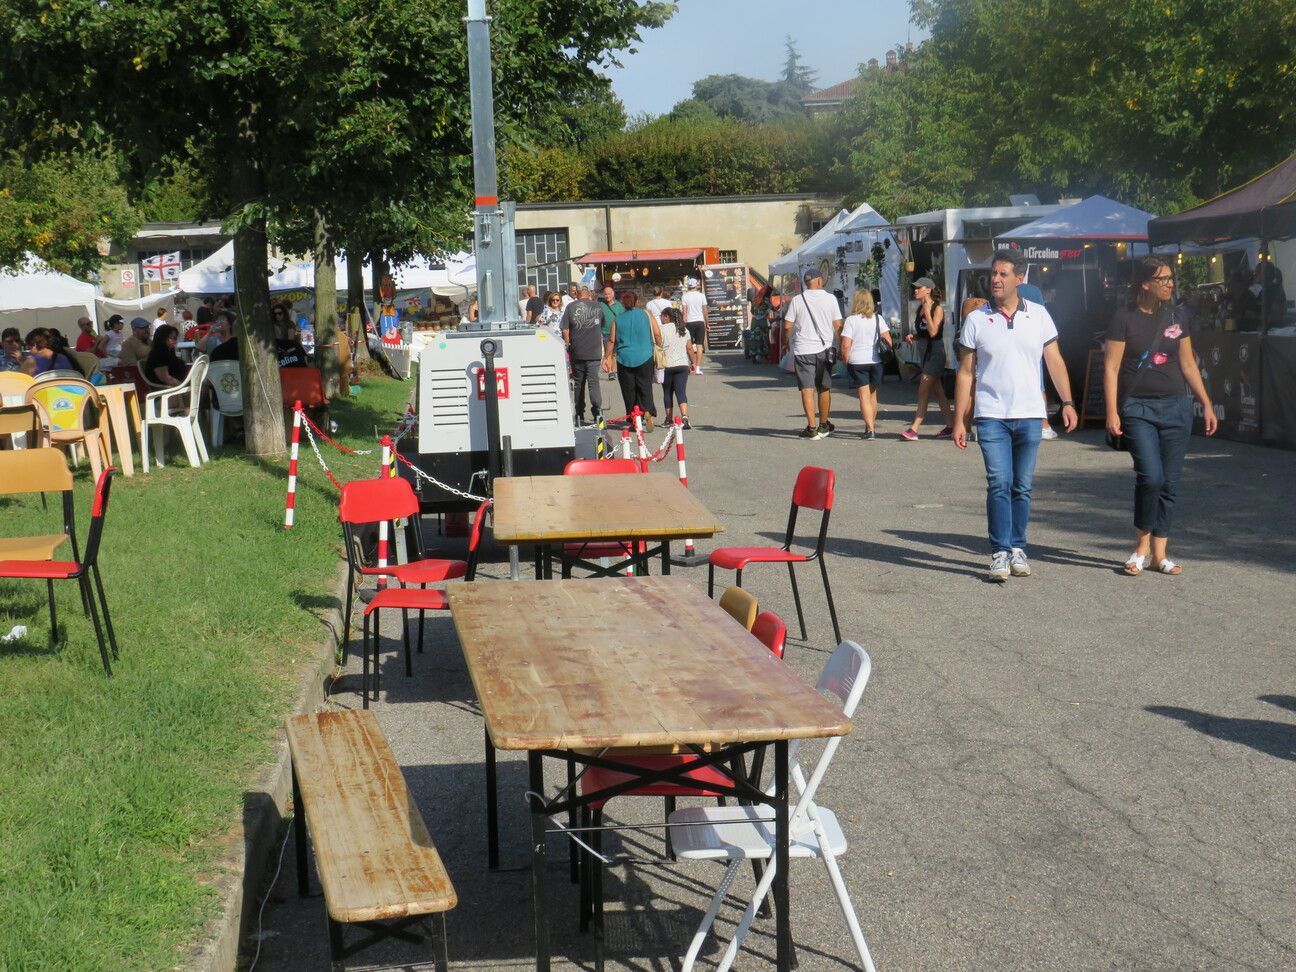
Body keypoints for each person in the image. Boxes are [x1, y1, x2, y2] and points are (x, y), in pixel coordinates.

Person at [952, 249, 1078, 582]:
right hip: (991, 415)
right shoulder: (977, 319)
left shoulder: (1038, 315)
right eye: (993, 273)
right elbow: (966, 373)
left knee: (1022, 486)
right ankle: (998, 552)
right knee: (999, 484)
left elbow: (1054, 360)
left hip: (1030, 414)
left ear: (1019, 278)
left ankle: (1017, 548)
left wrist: (1067, 402)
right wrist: (959, 420)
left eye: (1003, 274)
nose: (995, 279)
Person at [1104, 255, 1216, 576]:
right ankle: (1140, 547)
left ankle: (1160, 553)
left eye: (1171, 279)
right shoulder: (1123, 318)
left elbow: (1188, 364)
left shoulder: (1177, 315)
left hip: (1176, 406)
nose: (1170, 284)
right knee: (1150, 476)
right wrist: (1112, 411)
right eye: (1163, 279)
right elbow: (1111, 368)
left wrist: (1205, 403)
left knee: (1170, 481)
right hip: (1138, 407)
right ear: (1145, 284)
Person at [782, 267, 842, 439]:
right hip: (825, 349)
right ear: (820, 281)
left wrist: (786, 342)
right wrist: (844, 346)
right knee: (824, 387)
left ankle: (812, 427)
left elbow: (787, 326)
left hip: (803, 350)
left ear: (806, 283)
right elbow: (838, 325)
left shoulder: (797, 300)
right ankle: (824, 425)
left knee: (807, 389)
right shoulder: (830, 299)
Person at [901, 276, 954, 440]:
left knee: (922, 390)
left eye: (919, 288)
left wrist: (927, 311)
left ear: (928, 290)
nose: (916, 291)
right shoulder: (919, 309)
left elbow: (933, 332)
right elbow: (924, 332)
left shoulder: (937, 309)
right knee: (938, 392)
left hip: (935, 354)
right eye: (915, 288)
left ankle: (914, 429)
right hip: (924, 354)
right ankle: (951, 426)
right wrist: (914, 336)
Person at [603, 290, 662, 430]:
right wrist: (659, 345)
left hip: (624, 359)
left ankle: (634, 419)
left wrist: (606, 357)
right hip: (645, 356)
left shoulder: (617, 319)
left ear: (623, 303)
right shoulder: (647, 314)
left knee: (629, 390)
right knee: (645, 386)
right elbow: (657, 333)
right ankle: (647, 410)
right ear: (636, 302)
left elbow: (611, 340)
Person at [839, 289, 893, 438]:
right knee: (872, 395)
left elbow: (846, 344)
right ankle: (871, 425)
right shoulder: (878, 319)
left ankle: (870, 429)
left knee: (863, 396)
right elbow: (888, 341)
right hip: (875, 360)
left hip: (857, 361)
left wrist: (846, 360)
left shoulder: (851, 320)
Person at [561, 285, 605, 424]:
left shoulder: (570, 307)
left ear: (578, 294)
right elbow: (602, 325)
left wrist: (568, 344)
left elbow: (565, 330)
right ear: (588, 294)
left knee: (579, 383)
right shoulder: (598, 306)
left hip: (577, 351)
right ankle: (597, 410)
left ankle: (579, 413)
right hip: (594, 351)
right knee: (593, 382)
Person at [658, 306, 694, 429]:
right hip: (682, 364)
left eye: (661, 316)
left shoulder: (661, 329)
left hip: (667, 365)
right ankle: (685, 416)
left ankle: (668, 419)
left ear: (667, 317)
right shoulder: (683, 329)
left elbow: (658, 345)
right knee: (681, 392)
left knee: (667, 392)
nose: (661, 318)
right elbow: (689, 347)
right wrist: (693, 362)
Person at [681, 277, 709, 375]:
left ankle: (692, 363)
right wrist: (707, 323)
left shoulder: (685, 296)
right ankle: (697, 368)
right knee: (699, 345)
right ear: (696, 285)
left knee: (689, 345)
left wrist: (683, 324)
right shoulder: (701, 296)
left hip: (689, 322)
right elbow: (705, 310)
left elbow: (684, 312)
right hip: (700, 322)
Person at [599, 285, 624, 381]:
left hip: (617, 332)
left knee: (615, 353)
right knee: (608, 352)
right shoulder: (601, 305)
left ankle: (614, 369)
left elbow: (622, 317)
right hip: (606, 331)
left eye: (609, 294)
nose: (607, 295)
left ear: (613, 294)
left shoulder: (619, 305)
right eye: (605, 294)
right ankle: (610, 372)